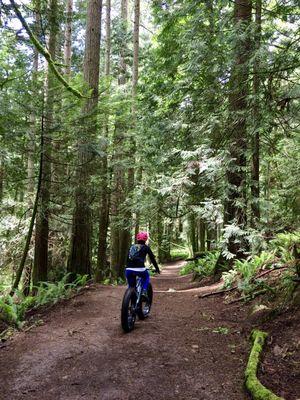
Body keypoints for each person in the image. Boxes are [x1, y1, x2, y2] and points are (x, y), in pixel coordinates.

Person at [125, 231, 160, 297]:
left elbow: (127, 257)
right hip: (140, 269)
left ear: (137, 239)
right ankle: (144, 291)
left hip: (128, 269)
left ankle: (131, 300)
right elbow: (152, 259)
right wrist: (157, 268)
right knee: (146, 276)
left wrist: (127, 266)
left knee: (131, 287)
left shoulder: (131, 247)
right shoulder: (146, 247)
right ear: (145, 239)